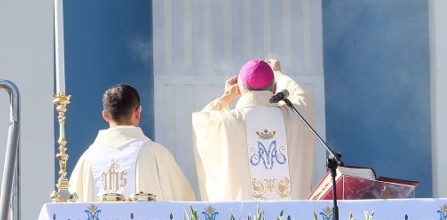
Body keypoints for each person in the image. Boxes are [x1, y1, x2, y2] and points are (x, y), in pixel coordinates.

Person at [191, 58, 315, 201]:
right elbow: (303, 97)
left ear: (238, 89)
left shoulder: (225, 123)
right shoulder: (294, 117)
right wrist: (279, 74)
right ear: (275, 88)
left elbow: (202, 121)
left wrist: (225, 98)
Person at [69, 84, 195, 202]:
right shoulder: (157, 154)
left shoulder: (88, 158)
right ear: (137, 112)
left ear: (105, 115)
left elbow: (69, 207)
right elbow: (186, 205)